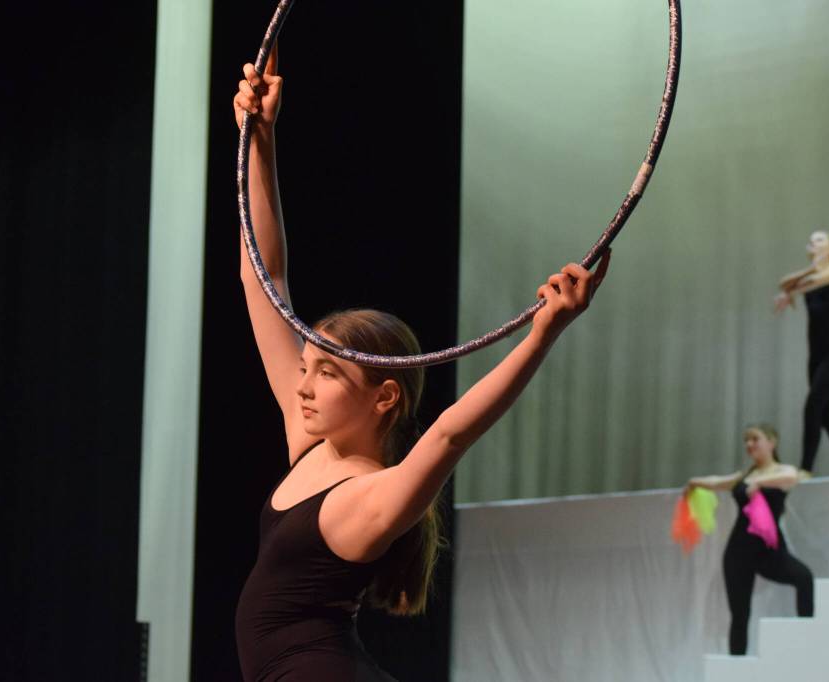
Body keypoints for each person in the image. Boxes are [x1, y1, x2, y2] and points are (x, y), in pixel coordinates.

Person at [231, 47, 611, 681]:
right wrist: (260, 141)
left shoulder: (372, 497)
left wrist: (543, 335)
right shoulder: (308, 442)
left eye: (328, 372)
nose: (302, 384)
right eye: (307, 366)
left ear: (384, 397)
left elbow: (451, 430)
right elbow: (264, 277)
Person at [685, 424, 814, 656]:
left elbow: (793, 476)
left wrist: (761, 483)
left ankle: (808, 644)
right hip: (739, 551)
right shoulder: (744, 476)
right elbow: (717, 482)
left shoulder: (781, 472)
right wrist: (695, 482)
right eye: (746, 440)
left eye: (755, 439)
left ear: (772, 442)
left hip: (769, 551)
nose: (749, 444)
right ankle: (737, 668)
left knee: (804, 578)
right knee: (740, 614)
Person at [774, 231, 829, 476]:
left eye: (821, 239)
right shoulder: (811, 274)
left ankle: (806, 469)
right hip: (816, 356)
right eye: (812, 240)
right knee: (828, 417)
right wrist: (803, 275)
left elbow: (799, 285)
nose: (815, 242)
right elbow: (785, 282)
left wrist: (791, 290)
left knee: (813, 406)